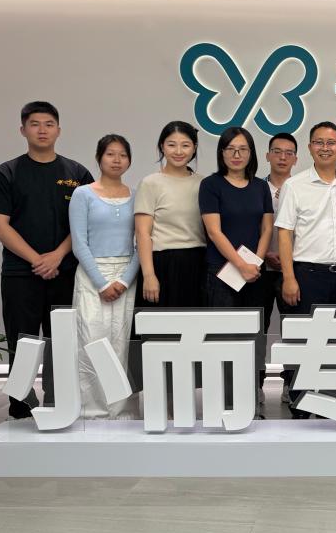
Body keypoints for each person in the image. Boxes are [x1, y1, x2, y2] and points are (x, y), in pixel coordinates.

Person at [0, 101, 93, 419]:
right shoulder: (6, 173)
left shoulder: (77, 173)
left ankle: (59, 400)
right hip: (20, 274)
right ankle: (21, 404)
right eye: (35, 124)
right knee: (22, 339)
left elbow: (85, 224)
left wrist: (57, 256)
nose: (42, 130)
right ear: (23, 130)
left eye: (49, 124)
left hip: (66, 272)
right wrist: (38, 260)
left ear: (59, 130)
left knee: (62, 340)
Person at [275, 121, 336, 418]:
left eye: (332, 143)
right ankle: (300, 407)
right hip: (307, 275)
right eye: (319, 142)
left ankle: (330, 405)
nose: (326, 148)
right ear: (310, 147)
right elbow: (284, 234)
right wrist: (288, 277)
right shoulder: (295, 186)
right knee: (305, 344)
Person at [69, 134, 141, 419]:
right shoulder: (83, 194)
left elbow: (142, 243)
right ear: (99, 158)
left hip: (126, 276)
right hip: (92, 275)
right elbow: (79, 243)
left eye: (122, 155)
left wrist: (124, 280)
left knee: (120, 343)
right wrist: (101, 282)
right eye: (110, 154)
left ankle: (120, 410)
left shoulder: (137, 195)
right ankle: (91, 410)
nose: (116, 160)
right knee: (91, 340)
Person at [134, 121, 206, 309]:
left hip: (198, 264)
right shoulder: (150, 183)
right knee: (160, 325)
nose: (178, 151)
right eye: (172, 145)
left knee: (196, 323)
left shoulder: (204, 184)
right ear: (162, 147)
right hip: (162, 265)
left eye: (185, 145)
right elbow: (142, 233)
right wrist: (149, 275)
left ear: (194, 148)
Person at [199, 127, 274, 308]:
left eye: (243, 149)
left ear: (251, 153)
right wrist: (241, 265)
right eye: (230, 149)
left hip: (255, 270)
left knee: (256, 323)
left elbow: (267, 228)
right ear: (221, 152)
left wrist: (255, 264)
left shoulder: (261, 186)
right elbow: (214, 232)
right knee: (225, 325)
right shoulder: (210, 185)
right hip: (222, 269)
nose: (237, 155)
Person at [263, 132, 299, 405]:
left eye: (289, 153)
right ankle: (255, 385)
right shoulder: (255, 188)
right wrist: (264, 255)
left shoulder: (300, 187)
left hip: (292, 271)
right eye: (277, 151)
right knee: (258, 329)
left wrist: (288, 261)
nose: (282, 157)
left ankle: (292, 384)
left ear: (296, 159)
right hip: (259, 271)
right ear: (267, 155)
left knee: (294, 331)